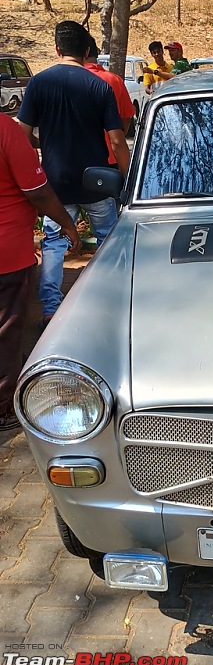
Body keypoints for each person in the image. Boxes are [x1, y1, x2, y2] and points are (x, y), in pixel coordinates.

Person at [17, 20, 129, 327]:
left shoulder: (38, 83)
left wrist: (34, 165)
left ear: (56, 49)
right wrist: (126, 177)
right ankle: (110, 300)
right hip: (96, 180)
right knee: (108, 239)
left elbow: (22, 135)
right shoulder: (99, 86)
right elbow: (118, 140)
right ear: (86, 51)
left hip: (54, 181)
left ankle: (52, 308)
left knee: (53, 243)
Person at [0, 112, 80, 431]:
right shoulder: (5, 129)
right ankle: (4, 407)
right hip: (7, 254)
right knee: (6, 330)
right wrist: (66, 223)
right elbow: (38, 191)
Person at [84, 35, 135, 164]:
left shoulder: (69, 80)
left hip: (79, 161)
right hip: (111, 158)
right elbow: (126, 117)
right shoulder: (115, 80)